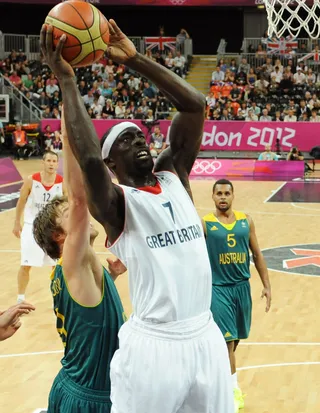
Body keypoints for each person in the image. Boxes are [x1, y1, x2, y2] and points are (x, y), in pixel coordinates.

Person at [40, 21, 234, 413]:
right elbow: (89, 159)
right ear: (113, 163)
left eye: (141, 135)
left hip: (204, 335)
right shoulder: (117, 204)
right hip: (155, 348)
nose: (139, 140)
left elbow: (195, 105)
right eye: (125, 140)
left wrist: (134, 60)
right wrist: (67, 81)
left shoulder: (174, 175)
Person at [32, 109, 126, 413]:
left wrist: (108, 280)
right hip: (88, 398)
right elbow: (78, 196)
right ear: (62, 237)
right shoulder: (73, 262)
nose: (79, 215)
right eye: (68, 214)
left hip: (77, 387)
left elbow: (86, 315)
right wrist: (67, 103)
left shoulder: (77, 271)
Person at [202, 179, 272, 411]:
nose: (223, 197)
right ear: (213, 197)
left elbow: (258, 255)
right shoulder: (205, 224)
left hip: (242, 288)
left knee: (235, 340)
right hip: (219, 289)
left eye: (227, 193)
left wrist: (266, 285)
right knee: (227, 342)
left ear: (233, 196)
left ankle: (219, 376)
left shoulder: (246, 221)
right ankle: (233, 391)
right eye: (219, 193)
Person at [12, 151, 66, 303]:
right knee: (26, 264)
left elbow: (67, 205)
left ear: (57, 163)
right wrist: (17, 222)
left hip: (52, 228)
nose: (51, 163)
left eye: (54, 161)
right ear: (43, 162)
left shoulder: (62, 183)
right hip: (32, 226)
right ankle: (20, 298)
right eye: (48, 160)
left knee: (57, 266)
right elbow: (21, 201)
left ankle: (60, 297)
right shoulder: (31, 181)